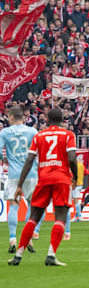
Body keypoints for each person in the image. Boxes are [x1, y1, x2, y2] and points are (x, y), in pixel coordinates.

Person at [7, 106, 77, 267]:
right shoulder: (68, 135)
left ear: (47, 120)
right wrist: (76, 177)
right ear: (63, 120)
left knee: (33, 217)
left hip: (43, 179)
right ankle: (51, 255)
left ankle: (18, 255)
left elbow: (29, 160)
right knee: (60, 217)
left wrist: (19, 185)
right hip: (61, 179)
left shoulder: (39, 136)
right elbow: (72, 158)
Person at [2, 106, 41, 253]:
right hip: (31, 173)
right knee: (32, 205)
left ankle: (13, 238)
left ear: (11, 116)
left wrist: (5, 159)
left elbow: (0, 151)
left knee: (13, 206)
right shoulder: (32, 131)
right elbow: (39, 150)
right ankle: (29, 237)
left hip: (14, 174)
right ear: (23, 117)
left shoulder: (5, 132)